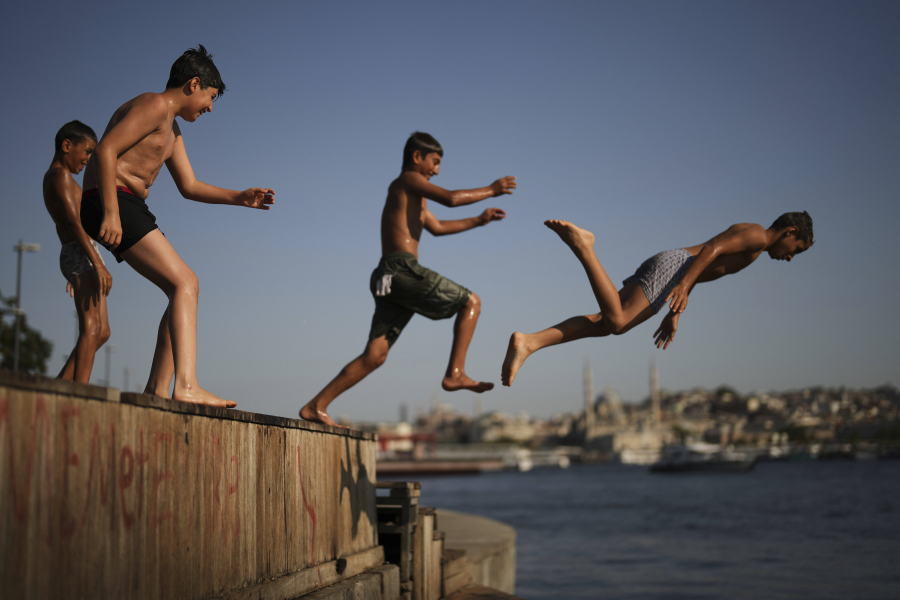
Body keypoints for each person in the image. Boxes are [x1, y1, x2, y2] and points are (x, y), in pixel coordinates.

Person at [80, 45, 274, 408]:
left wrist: (239, 197)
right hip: (111, 198)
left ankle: (157, 388)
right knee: (187, 283)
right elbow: (106, 150)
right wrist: (111, 212)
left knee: (180, 289)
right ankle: (186, 385)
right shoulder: (154, 104)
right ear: (194, 84)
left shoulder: (173, 131)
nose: (210, 108)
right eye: (210, 97)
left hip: (128, 203)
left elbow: (189, 186)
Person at [301, 132, 516, 426]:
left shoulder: (415, 196)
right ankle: (455, 374)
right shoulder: (407, 180)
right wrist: (491, 189)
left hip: (386, 278)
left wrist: (479, 220)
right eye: (434, 162)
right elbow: (451, 198)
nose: (436, 170)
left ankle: (316, 406)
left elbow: (438, 227)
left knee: (375, 356)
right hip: (401, 269)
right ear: (417, 156)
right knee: (471, 302)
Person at [502, 213, 814, 386]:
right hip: (675, 269)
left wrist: (675, 310)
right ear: (791, 231)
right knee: (618, 322)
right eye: (796, 250)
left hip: (674, 268)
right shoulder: (757, 237)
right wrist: (683, 285)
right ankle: (584, 247)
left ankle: (530, 342)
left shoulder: (754, 235)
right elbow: (711, 250)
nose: (790, 257)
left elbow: (706, 261)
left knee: (603, 322)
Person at [42, 120, 111, 384]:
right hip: (81, 253)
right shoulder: (59, 176)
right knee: (91, 328)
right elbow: (72, 223)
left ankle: (60, 384)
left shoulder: (59, 177)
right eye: (87, 151)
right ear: (67, 145)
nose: (88, 159)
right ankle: (79, 393)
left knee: (102, 332)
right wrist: (95, 264)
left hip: (82, 254)